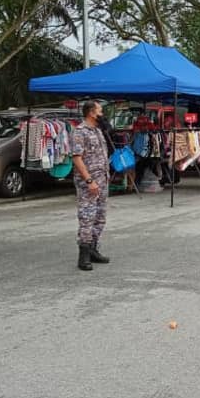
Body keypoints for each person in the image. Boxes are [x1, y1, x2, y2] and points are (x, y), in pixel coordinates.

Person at [71, 100, 110, 271]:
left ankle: (93, 249)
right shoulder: (80, 132)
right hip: (89, 183)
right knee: (87, 217)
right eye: (100, 111)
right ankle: (83, 255)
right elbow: (77, 158)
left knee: (100, 217)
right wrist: (89, 180)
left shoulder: (98, 131)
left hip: (102, 180)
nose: (103, 114)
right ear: (92, 113)